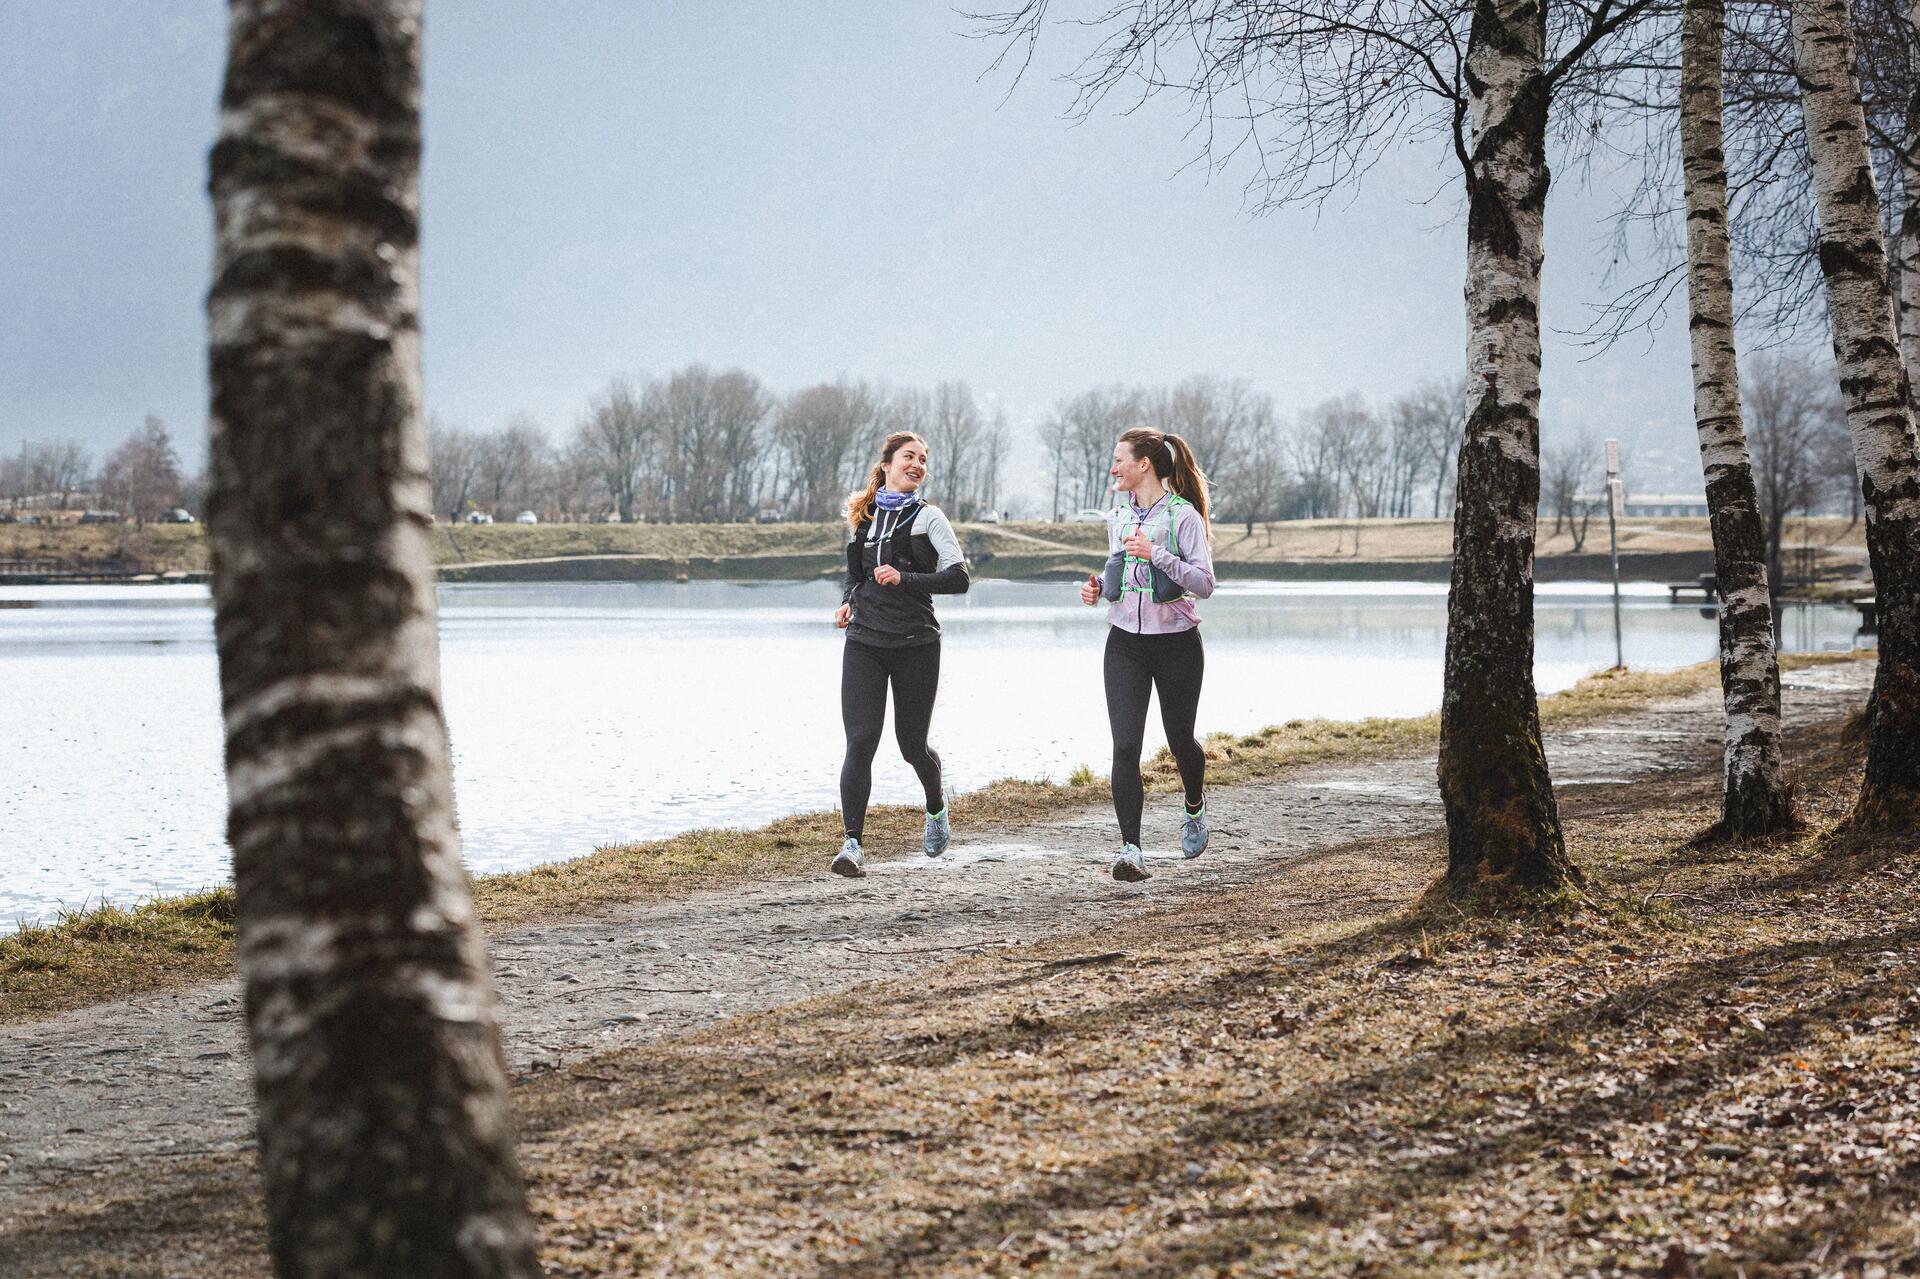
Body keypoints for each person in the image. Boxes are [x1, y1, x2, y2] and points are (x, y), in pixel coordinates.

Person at [830, 431, 970, 877]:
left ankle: (935, 806)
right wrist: (849, 600)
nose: (917, 465)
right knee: (861, 741)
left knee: (912, 746)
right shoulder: (865, 519)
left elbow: (959, 579)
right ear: (887, 464)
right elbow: (856, 576)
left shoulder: (930, 519)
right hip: (865, 642)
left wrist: (905, 579)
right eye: (909, 457)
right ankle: (852, 844)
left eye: (923, 460)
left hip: (916, 645)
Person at [1078, 427, 1216, 882]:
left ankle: (1193, 805)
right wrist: (1097, 588)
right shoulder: (1117, 516)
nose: (1113, 468)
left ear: (1144, 465)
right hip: (1124, 643)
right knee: (1124, 745)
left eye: (1120, 460)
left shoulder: (1184, 517)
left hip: (1176, 642)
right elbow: (1115, 571)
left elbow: (1205, 585)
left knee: (1180, 742)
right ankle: (1131, 850)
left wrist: (1158, 554)